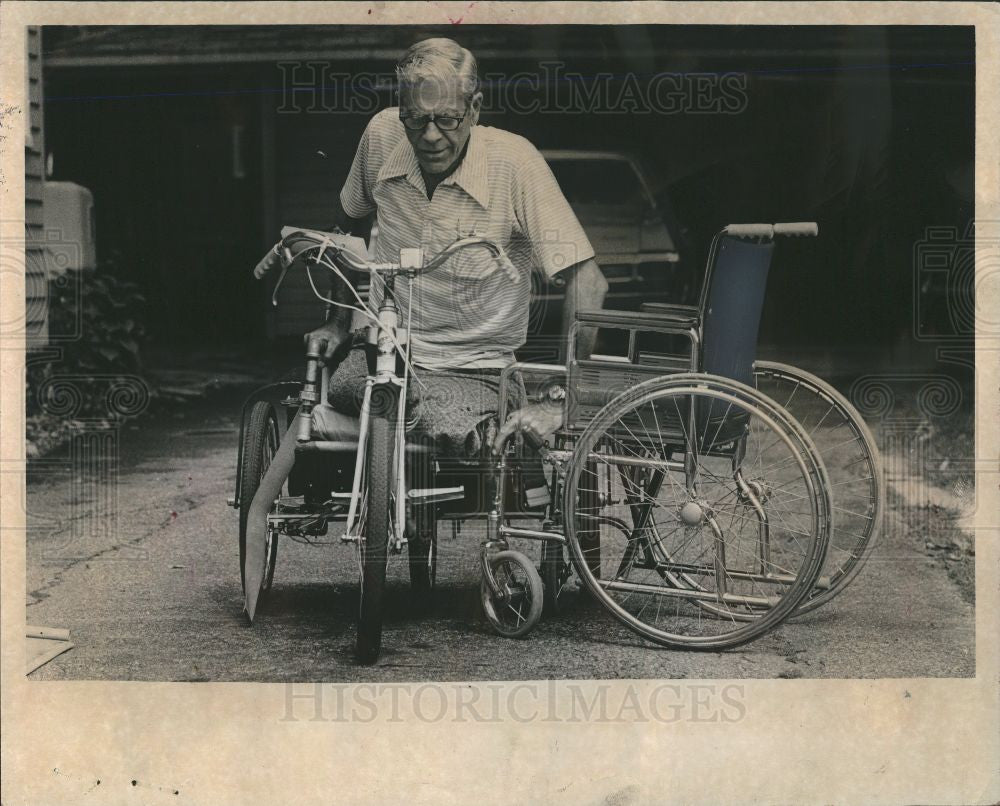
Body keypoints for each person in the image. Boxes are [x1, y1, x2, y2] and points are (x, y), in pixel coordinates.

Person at [256, 36, 607, 456]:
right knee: (348, 392)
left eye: (446, 119)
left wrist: (559, 400)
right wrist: (337, 321)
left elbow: (589, 281)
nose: (430, 136)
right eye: (416, 119)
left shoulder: (515, 164)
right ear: (400, 109)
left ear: (474, 109)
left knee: (437, 420)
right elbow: (345, 228)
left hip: (480, 373)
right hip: (388, 354)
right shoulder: (382, 135)